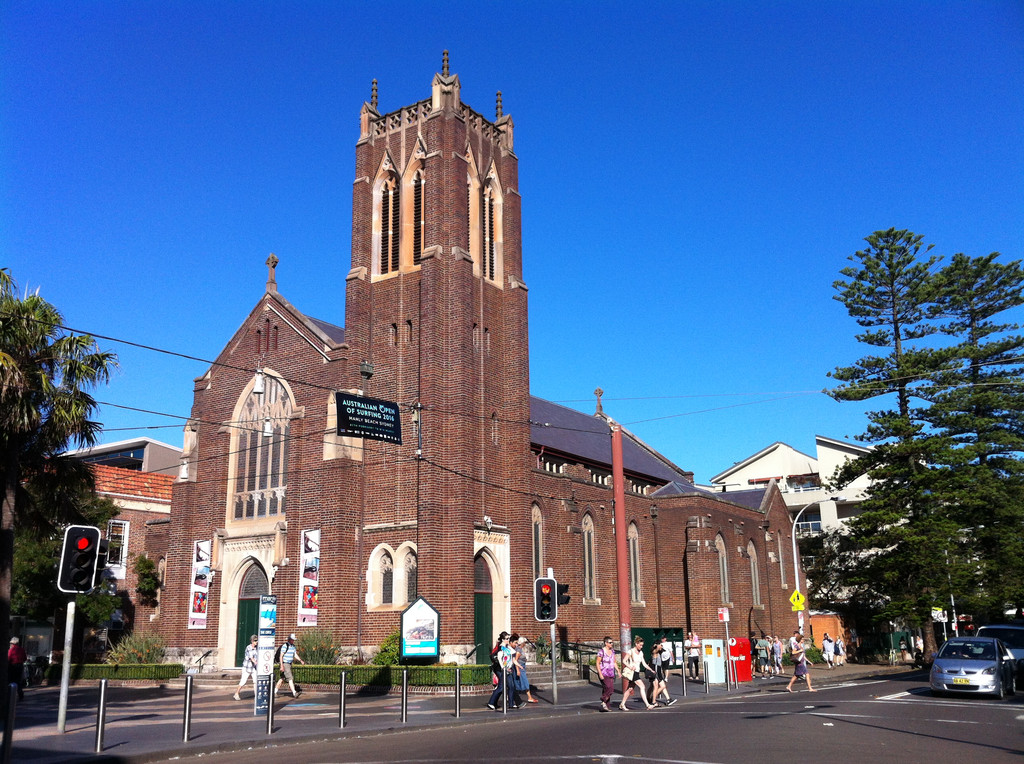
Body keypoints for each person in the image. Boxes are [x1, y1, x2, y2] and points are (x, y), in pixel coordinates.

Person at [620, 636, 657, 710]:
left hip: (637, 672)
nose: (641, 646)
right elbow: (624, 661)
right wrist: (630, 667)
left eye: (642, 645)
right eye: (640, 645)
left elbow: (644, 663)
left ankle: (622, 704)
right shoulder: (631, 651)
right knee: (642, 686)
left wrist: (651, 670)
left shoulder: (641, 653)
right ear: (636, 644)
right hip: (632, 672)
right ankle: (647, 705)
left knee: (630, 688)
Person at [487, 633, 516, 710]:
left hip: (508, 669)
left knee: (511, 686)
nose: (508, 640)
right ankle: (491, 702)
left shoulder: (507, 647)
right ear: (503, 639)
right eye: (506, 638)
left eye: (508, 638)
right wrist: (503, 668)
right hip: (501, 669)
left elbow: (512, 653)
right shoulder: (500, 648)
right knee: (501, 686)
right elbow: (500, 659)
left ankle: (511, 703)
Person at [274, 633, 305, 698]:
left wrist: (300, 660)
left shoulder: (293, 646)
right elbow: (281, 656)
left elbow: (295, 655)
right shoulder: (285, 646)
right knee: (290, 678)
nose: (293, 641)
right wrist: (282, 665)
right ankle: (294, 692)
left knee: (282, 678)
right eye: (292, 639)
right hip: (285, 663)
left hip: (289, 664)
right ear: (289, 639)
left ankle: (275, 692)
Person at [511, 634, 537, 704]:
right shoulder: (518, 650)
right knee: (524, 682)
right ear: (522, 643)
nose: (525, 644)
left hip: (522, 667)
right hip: (520, 667)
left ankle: (528, 697)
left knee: (519, 683)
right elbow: (516, 660)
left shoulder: (520, 649)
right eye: (524, 643)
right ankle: (529, 697)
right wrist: (518, 670)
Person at [596, 636, 619, 712]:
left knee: (607, 689)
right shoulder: (601, 652)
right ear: (606, 643)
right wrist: (600, 673)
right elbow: (597, 663)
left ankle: (606, 706)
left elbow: (614, 662)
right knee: (610, 688)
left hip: (611, 673)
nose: (611, 644)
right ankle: (603, 701)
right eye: (610, 642)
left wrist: (618, 671)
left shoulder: (612, 651)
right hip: (604, 672)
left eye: (612, 642)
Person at [234, 635, 258, 700]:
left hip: (253, 668)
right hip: (247, 667)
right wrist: (255, 662)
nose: (256, 642)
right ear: (252, 641)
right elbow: (251, 657)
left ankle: (257, 695)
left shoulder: (257, 648)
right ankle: (236, 693)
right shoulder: (249, 647)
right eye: (255, 641)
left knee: (256, 681)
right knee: (243, 681)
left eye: (257, 640)